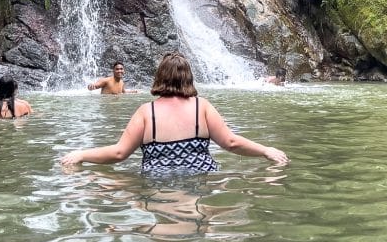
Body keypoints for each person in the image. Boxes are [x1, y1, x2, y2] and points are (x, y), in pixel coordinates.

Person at [62, 52, 288, 172]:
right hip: (202, 178)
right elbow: (231, 142)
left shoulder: (145, 111)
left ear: (159, 77)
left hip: (156, 182)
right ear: (189, 77)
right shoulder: (203, 106)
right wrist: (265, 150)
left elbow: (120, 153)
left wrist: (82, 154)